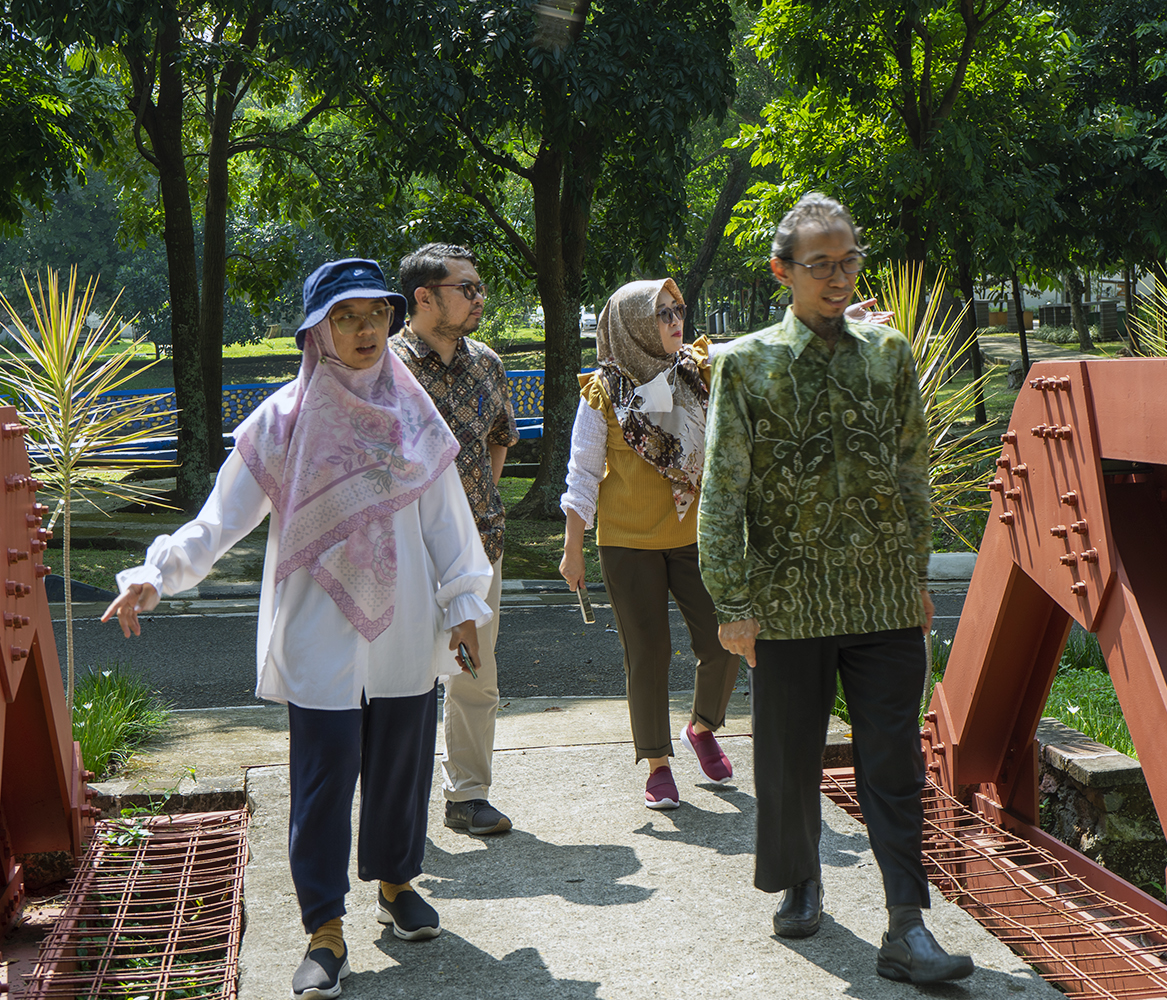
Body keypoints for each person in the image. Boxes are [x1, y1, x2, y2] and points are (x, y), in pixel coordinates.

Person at [102, 259, 493, 1000]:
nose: (365, 329)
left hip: (406, 624)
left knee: (401, 767)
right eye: (345, 317)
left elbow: (448, 522)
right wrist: (156, 572)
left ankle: (396, 883)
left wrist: (464, 605)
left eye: (375, 314)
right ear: (316, 331)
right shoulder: (281, 423)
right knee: (321, 780)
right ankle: (324, 929)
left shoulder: (415, 416)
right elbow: (221, 519)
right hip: (320, 631)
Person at [698, 192, 975, 986]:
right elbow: (723, 490)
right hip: (786, 603)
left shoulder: (889, 355)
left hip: (884, 599)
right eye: (821, 264)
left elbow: (915, 470)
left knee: (894, 763)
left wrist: (915, 575)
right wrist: (732, 601)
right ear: (783, 271)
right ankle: (801, 875)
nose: (838, 276)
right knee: (789, 759)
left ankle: (906, 924)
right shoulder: (746, 363)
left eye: (849, 260)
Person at [558, 278, 739, 809]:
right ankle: (658, 762)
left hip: (693, 535)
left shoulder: (697, 368)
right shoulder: (602, 393)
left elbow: (763, 350)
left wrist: (832, 328)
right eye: (662, 313)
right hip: (627, 542)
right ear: (634, 324)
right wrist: (573, 547)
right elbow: (582, 475)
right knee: (649, 652)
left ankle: (702, 726)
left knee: (724, 637)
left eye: (677, 309)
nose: (675, 320)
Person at [391, 243, 520, 836]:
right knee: (398, 679)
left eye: (479, 287)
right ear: (424, 297)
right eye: (466, 288)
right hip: (402, 553)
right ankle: (393, 809)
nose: (479, 298)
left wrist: (473, 507)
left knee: (474, 674)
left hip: (479, 547)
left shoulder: (488, 364)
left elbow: (500, 436)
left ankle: (467, 796)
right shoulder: (386, 367)